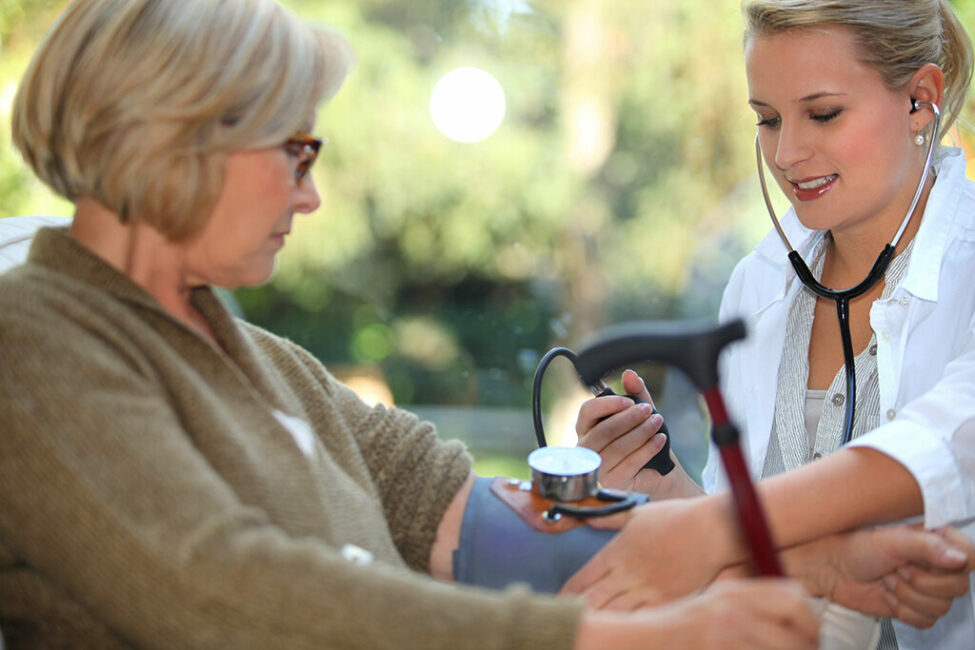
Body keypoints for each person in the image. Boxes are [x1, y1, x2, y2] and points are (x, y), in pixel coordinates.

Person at [0, 0, 971, 649]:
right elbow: (223, 585)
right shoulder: (35, 344)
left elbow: (456, 511)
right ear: (178, 140)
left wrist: (816, 559)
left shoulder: (246, 353)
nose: (313, 195)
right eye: (294, 150)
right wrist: (624, 636)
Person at [572, 0, 975, 648]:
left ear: (919, 99)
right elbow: (751, 555)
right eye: (766, 120)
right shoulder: (755, 287)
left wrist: (695, 531)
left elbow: (944, 450)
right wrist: (662, 490)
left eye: (822, 113)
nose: (786, 152)